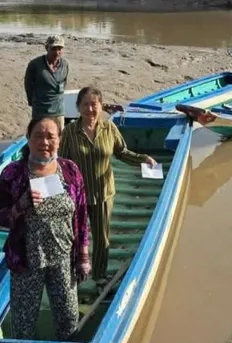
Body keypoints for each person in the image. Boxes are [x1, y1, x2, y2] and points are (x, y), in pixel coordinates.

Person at [0, 116, 90, 340]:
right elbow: (1, 216)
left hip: (64, 257)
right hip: (27, 259)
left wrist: (83, 255)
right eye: (38, 136)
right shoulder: (13, 174)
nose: (44, 142)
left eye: (50, 137)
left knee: (68, 317)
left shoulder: (70, 170)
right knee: (23, 320)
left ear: (59, 140)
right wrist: (20, 206)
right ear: (28, 139)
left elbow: (82, 214)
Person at [58, 86, 157, 284]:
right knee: (74, 235)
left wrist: (143, 159)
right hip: (78, 194)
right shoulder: (70, 131)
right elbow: (61, 162)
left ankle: (100, 275)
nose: (90, 109)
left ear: (101, 106)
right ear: (78, 107)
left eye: (94, 104)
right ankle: (71, 273)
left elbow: (122, 152)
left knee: (102, 237)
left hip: (103, 192)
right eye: (85, 104)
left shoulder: (109, 128)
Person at [24, 35, 69, 129]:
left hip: (58, 111)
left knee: (58, 138)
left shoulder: (65, 64)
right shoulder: (35, 64)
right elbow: (28, 85)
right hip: (41, 111)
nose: (57, 52)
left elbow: (64, 83)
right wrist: (34, 103)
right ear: (47, 48)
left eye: (60, 48)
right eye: (53, 49)